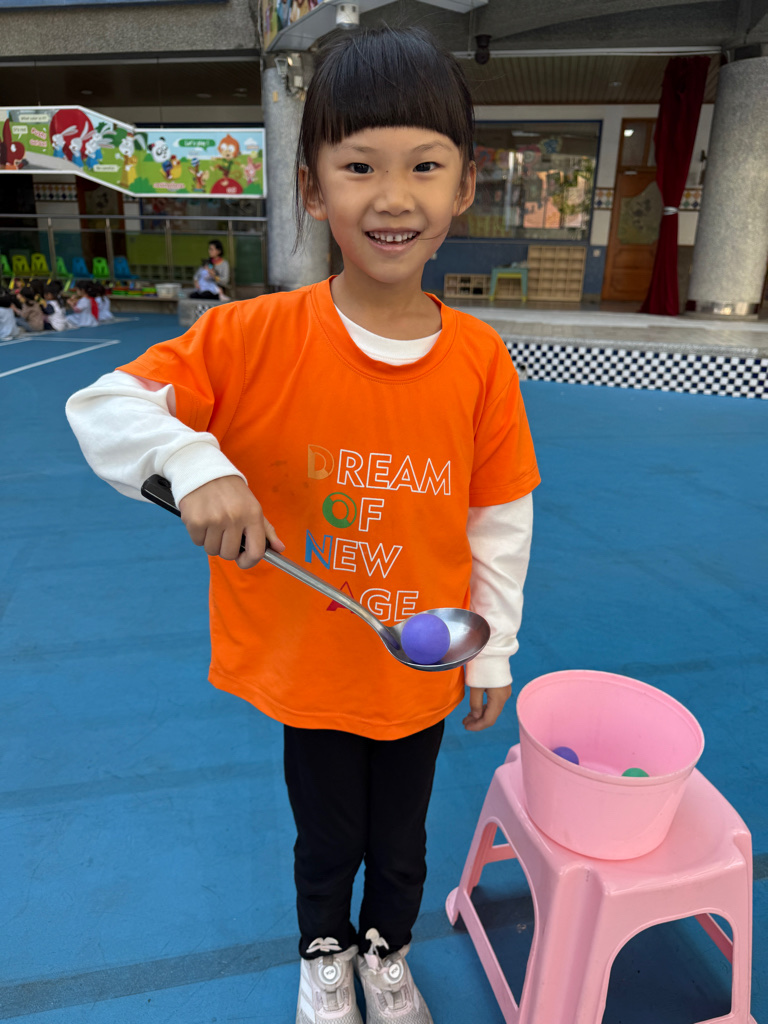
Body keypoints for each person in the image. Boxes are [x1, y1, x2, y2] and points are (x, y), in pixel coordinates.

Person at [65, 26, 539, 1024]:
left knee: (401, 843)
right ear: (312, 187)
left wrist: (492, 649)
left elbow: (499, 514)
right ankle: (324, 951)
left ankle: (386, 951)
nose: (393, 197)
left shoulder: (481, 361)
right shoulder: (250, 336)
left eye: (425, 166)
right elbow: (103, 408)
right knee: (327, 838)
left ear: (464, 187)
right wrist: (196, 464)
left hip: (419, 661)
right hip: (311, 665)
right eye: (359, 166)